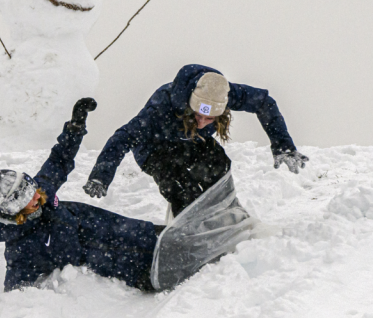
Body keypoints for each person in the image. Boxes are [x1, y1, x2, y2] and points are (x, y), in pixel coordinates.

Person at [0, 98, 161, 292]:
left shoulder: (42, 193)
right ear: (13, 209)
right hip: (102, 259)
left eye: (31, 191)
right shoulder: (21, 248)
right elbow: (15, 291)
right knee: (120, 260)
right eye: (26, 199)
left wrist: (75, 127)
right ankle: (154, 274)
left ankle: (162, 235)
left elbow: (60, 159)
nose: (35, 198)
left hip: (101, 225)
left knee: (131, 231)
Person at [82, 64, 308, 217]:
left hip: (190, 141)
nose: (201, 122)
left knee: (218, 164)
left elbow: (264, 102)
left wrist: (283, 146)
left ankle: (224, 212)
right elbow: (122, 138)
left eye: (210, 118)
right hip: (154, 149)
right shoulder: (162, 105)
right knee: (178, 183)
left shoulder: (227, 93)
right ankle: (186, 223)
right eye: (197, 115)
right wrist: (101, 176)